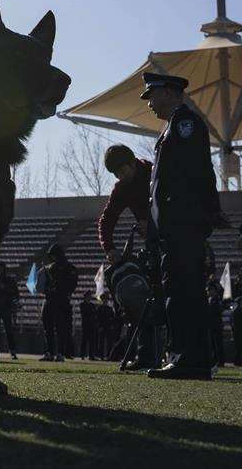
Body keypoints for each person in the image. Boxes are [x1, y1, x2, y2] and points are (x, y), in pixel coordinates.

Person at [140, 72, 221, 381]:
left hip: (183, 222)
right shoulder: (173, 126)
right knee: (179, 290)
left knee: (183, 291)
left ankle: (188, 358)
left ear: (169, 93)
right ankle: (188, 356)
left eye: (152, 95)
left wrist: (208, 210)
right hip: (176, 223)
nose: (149, 103)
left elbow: (198, 171)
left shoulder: (185, 124)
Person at [99, 143, 157, 370]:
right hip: (153, 246)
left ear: (132, 163)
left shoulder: (155, 172)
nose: (120, 178)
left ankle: (180, 352)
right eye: (116, 175)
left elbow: (173, 206)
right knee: (143, 299)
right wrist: (109, 248)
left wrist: (152, 224)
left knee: (173, 298)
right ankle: (146, 355)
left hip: (175, 239)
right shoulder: (122, 188)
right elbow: (106, 220)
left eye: (122, 172)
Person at [38, 243, 78, 362]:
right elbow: (42, 285)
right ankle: (49, 353)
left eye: (54, 255)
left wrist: (60, 288)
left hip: (61, 301)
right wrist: (46, 288)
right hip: (49, 300)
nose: (53, 257)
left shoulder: (69, 268)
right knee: (47, 328)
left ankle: (60, 353)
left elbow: (72, 284)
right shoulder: (48, 268)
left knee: (61, 329)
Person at [96, 292, 117, 360]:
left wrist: (111, 325)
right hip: (102, 327)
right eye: (104, 299)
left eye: (106, 299)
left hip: (108, 327)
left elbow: (112, 318)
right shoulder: (99, 308)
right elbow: (98, 318)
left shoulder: (109, 309)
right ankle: (101, 356)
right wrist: (99, 326)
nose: (105, 300)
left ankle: (109, 356)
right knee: (101, 343)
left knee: (109, 343)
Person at [79, 292, 97, 360]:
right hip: (86, 325)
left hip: (92, 325)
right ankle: (82, 355)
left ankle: (91, 355)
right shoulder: (82, 305)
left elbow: (94, 314)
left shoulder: (92, 305)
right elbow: (85, 314)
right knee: (84, 340)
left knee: (92, 341)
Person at [229, 296, 242, 366]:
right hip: (240, 330)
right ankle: (238, 361)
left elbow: (231, 321)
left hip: (236, 330)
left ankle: (237, 360)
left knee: (238, 347)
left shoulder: (234, 311)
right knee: (240, 347)